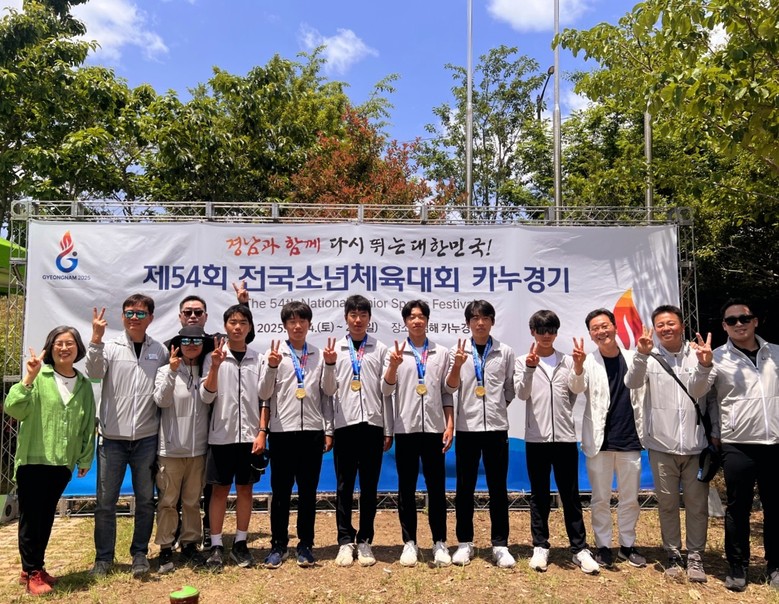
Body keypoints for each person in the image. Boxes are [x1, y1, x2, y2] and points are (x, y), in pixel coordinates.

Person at [688, 299, 779, 592]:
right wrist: (704, 365)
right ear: (724, 326)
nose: (739, 324)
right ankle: (738, 566)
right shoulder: (716, 357)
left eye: (744, 318)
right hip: (737, 443)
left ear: (755, 321)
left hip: (775, 443)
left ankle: (775, 566)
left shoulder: (775, 353)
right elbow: (697, 390)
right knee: (738, 508)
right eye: (731, 320)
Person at [625, 305, 715, 582]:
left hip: (696, 446)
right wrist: (641, 354)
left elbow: (700, 391)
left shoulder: (699, 355)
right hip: (661, 445)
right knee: (667, 504)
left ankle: (695, 555)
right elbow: (632, 382)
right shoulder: (649, 357)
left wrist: (704, 365)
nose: (666, 328)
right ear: (655, 329)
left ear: (682, 326)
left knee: (697, 505)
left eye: (671, 323)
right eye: (660, 325)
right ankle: (673, 554)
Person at [4, 327, 96, 596]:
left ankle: (33, 567)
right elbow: (13, 408)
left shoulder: (83, 384)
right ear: (50, 347)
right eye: (58, 343)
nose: (64, 348)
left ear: (78, 348)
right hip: (34, 460)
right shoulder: (39, 377)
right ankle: (32, 571)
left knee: (45, 517)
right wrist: (28, 378)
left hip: (62, 462)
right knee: (31, 518)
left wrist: (85, 457)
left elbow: (87, 424)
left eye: (69, 343)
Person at [86, 294, 168, 578]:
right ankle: (103, 559)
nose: (135, 318)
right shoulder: (109, 347)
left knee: (145, 500)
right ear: (122, 317)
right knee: (105, 503)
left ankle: (140, 554)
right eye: (130, 313)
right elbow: (94, 373)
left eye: (141, 313)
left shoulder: (159, 351)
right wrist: (96, 339)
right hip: (112, 439)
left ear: (151, 318)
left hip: (146, 438)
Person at [515, 310, 600, 574]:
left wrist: (578, 367)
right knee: (539, 496)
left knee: (570, 496)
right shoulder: (523, 361)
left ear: (556, 332)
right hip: (536, 439)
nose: (546, 335)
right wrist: (530, 369)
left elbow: (577, 390)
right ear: (532, 332)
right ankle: (540, 546)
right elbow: (521, 394)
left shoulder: (568, 360)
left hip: (564, 438)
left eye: (551, 330)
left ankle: (579, 549)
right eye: (541, 330)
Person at [258, 301, 337, 568]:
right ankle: (278, 545)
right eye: (292, 321)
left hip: (312, 433)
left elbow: (328, 392)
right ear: (285, 325)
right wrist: (271, 367)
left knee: (307, 492)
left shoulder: (318, 354)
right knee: (280, 492)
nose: (297, 326)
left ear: (309, 324)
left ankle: (305, 545)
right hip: (282, 432)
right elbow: (264, 394)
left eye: (302, 320)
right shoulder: (274, 354)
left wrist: (329, 365)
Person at [569, 308, 647, 569]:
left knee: (630, 498)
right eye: (595, 329)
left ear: (615, 327)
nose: (601, 332)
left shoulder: (634, 357)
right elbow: (576, 388)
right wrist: (577, 366)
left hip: (630, 439)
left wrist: (644, 354)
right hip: (599, 441)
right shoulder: (588, 361)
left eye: (605, 326)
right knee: (600, 499)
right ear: (591, 334)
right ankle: (603, 546)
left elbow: (642, 385)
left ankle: (627, 545)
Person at [445, 300, 516, 569]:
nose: (480, 323)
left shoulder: (504, 351)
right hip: (467, 429)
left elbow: (509, 388)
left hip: (496, 429)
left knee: (498, 487)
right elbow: (450, 387)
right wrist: (457, 365)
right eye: (475, 318)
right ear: (468, 323)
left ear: (492, 322)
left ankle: (500, 544)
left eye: (485, 318)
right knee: (465, 488)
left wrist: (496, 408)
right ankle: (465, 542)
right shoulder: (457, 351)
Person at [382, 300, 454, 567]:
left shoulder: (441, 353)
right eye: (412, 317)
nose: (417, 321)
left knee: (437, 488)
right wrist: (393, 366)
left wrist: (449, 424)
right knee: (406, 488)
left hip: (434, 429)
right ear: (405, 322)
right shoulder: (395, 352)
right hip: (406, 428)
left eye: (421, 316)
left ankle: (439, 542)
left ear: (427, 320)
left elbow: (447, 392)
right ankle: (409, 542)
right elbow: (386, 390)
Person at [330, 295, 394, 567]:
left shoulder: (380, 349)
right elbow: (328, 391)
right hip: (345, 425)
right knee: (344, 486)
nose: (358, 320)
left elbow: (387, 391)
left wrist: (388, 428)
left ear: (369, 318)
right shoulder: (335, 349)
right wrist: (329, 429)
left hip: (372, 426)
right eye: (353, 315)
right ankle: (345, 540)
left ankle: (365, 539)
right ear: (346, 318)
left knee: (369, 487)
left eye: (363, 315)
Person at [199, 304, 261, 571]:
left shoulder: (258, 359)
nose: (238, 327)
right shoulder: (214, 357)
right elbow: (206, 396)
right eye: (233, 322)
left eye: (243, 323)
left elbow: (264, 399)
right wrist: (214, 367)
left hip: (249, 437)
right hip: (221, 436)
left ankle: (240, 543)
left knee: (245, 490)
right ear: (225, 326)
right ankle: (215, 545)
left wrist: (262, 432)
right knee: (219, 490)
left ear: (249, 328)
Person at [153, 325, 211, 573]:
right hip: (170, 451)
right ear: (177, 344)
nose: (191, 345)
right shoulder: (165, 370)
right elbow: (161, 400)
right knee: (167, 502)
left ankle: (189, 544)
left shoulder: (207, 371)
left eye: (196, 341)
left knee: (192, 502)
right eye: (185, 340)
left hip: (198, 451)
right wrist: (172, 372)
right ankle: (165, 547)